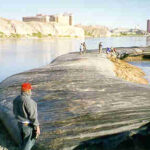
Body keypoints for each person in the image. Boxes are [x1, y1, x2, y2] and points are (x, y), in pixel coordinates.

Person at [13, 83, 40, 150]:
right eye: (30, 89)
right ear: (28, 91)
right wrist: (37, 126)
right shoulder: (29, 101)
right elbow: (33, 116)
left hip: (19, 124)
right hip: (28, 125)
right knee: (30, 142)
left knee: (23, 142)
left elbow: (14, 112)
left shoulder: (16, 99)